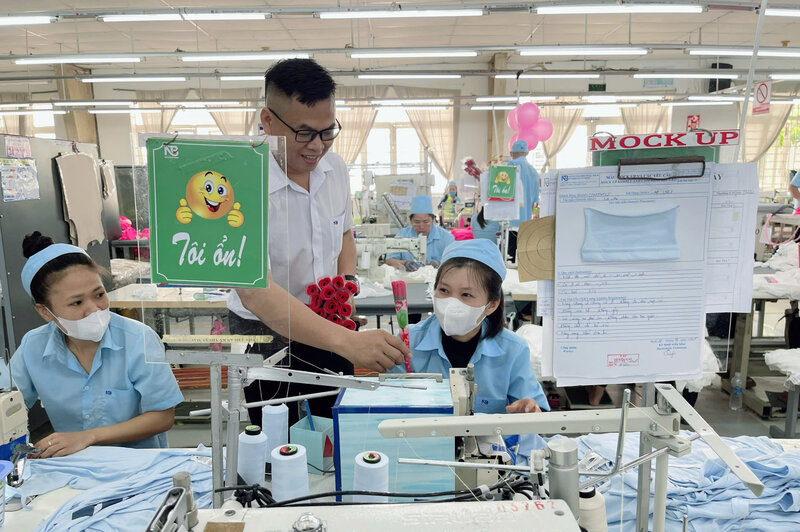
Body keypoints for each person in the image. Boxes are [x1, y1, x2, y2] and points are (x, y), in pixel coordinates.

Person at [228, 58, 408, 427]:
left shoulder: (335, 169)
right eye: (305, 132)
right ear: (267, 120)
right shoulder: (239, 181)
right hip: (264, 333)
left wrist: (345, 287)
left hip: (330, 321)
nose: (318, 146)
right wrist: (348, 343)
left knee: (333, 429)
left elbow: (343, 234)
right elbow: (256, 291)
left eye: (328, 131)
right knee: (273, 440)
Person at [10, 232, 183, 457]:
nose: (94, 309)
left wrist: (88, 436)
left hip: (138, 466)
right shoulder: (34, 347)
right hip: (72, 467)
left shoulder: (138, 338)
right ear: (46, 312)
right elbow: (7, 401)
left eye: (99, 294)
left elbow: (162, 417)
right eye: (77, 302)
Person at [394, 239, 549, 416]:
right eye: (444, 290)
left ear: (492, 305)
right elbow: (389, 408)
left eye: (466, 294)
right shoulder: (408, 343)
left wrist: (529, 409)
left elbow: (536, 410)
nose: (451, 303)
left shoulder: (513, 350)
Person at [385, 195, 455, 272]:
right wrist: (404, 263)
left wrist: (440, 263)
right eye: (417, 222)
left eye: (426, 222)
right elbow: (389, 260)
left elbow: (454, 261)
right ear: (411, 221)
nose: (421, 227)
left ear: (433, 219)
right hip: (409, 280)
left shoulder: (446, 237)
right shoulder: (402, 235)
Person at [507, 139, 540, 261]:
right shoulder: (534, 172)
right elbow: (534, 203)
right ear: (526, 153)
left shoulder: (510, 167)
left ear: (512, 152)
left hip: (510, 219)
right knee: (522, 256)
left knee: (509, 255)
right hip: (525, 220)